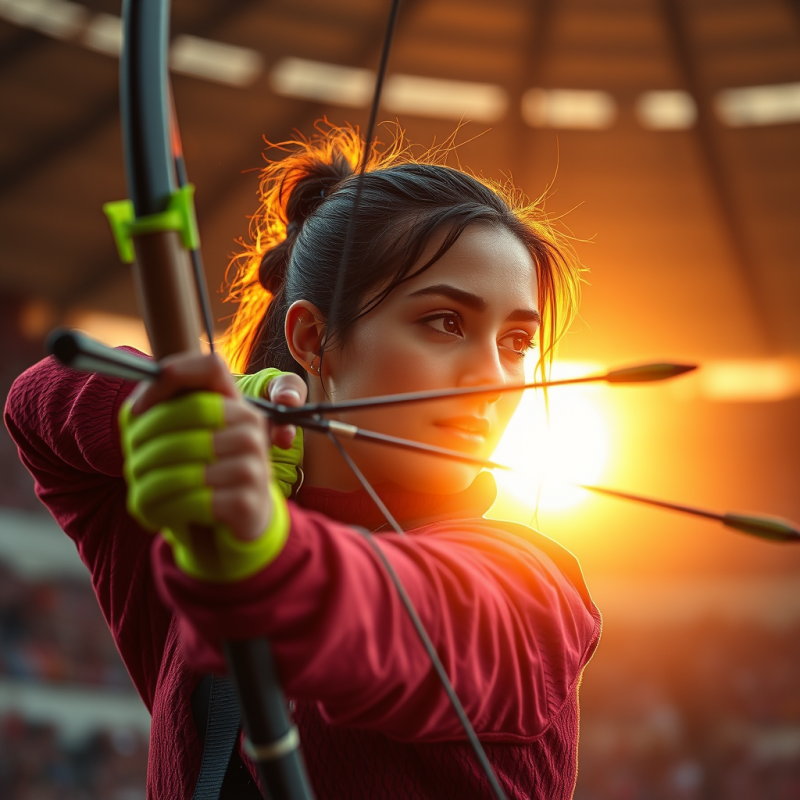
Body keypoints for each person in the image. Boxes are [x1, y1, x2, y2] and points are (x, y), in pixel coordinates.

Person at [5, 125, 601, 799]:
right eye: (445, 322)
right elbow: (38, 398)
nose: (494, 376)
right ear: (313, 339)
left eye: (518, 340)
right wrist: (207, 411)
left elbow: (385, 616)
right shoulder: (198, 529)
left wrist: (263, 540)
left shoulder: (529, 586)